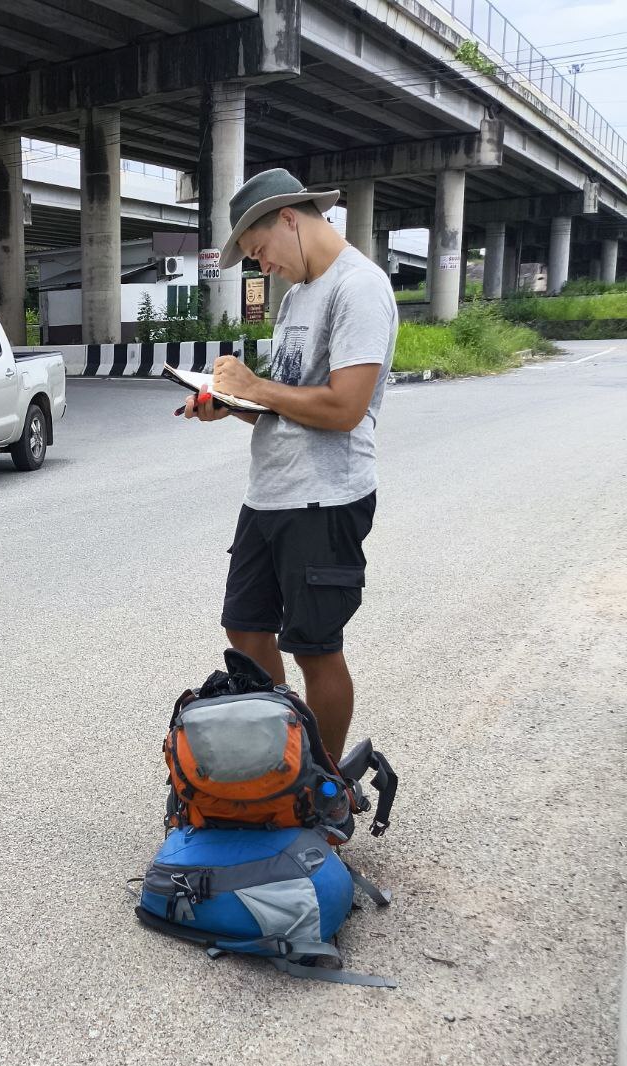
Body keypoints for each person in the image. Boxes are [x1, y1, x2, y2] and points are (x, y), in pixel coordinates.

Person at [184, 168, 398, 762]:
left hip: (325, 499)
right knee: (245, 629)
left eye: (260, 252)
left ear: (288, 218)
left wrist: (257, 386)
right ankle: (274, 760)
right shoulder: (299, 296)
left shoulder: (359, 287)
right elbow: (287, 402)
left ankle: (324, 786)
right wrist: (231, 405)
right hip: (270, 494)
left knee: (314, 646)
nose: (262, 267)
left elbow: (345, 407)